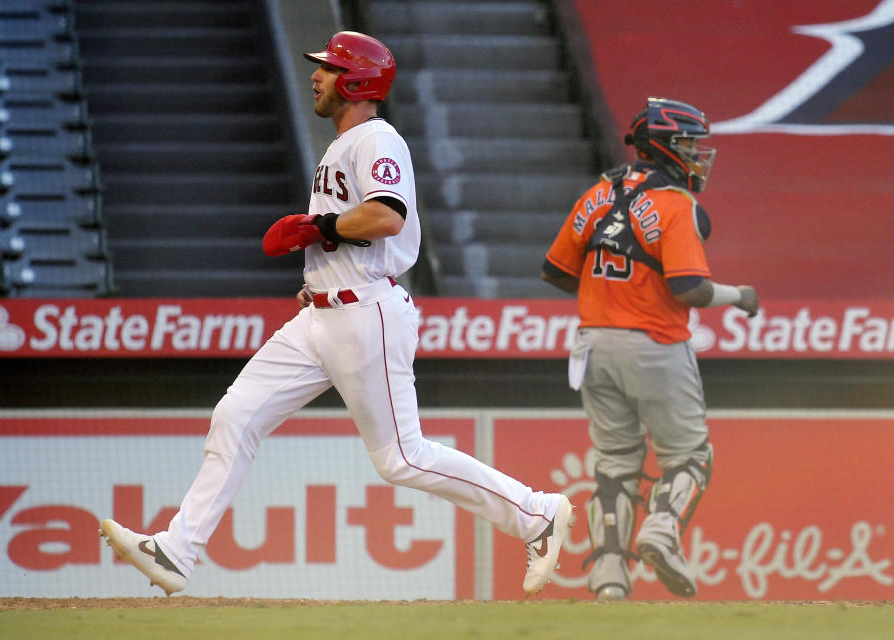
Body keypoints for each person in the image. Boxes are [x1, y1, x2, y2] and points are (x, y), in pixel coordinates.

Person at [99, 31, 573, 597]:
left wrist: (320, 228)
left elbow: (387, 216)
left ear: (357, 80)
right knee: (236, 416)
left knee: (402, 458)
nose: (317, 75)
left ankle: (537, 514)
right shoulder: (345, 143)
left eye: (329, 68)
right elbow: (355, 231)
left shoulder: (377, 138)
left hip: (365, 313)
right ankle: (177, 550)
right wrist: (319, 271)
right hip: (321, 313)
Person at [541, 97, 758, 601]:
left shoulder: (598, 191)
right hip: (655, 343)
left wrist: (611, 287)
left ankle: (609, 577)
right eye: (688, 144)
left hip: (592, 345)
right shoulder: (676, 203)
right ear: (663, 146)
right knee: (689, 457)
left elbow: (554, 271)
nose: (697, 154)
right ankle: (661, 528)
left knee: (615, 461)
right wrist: (740, 296)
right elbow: (691, 289)